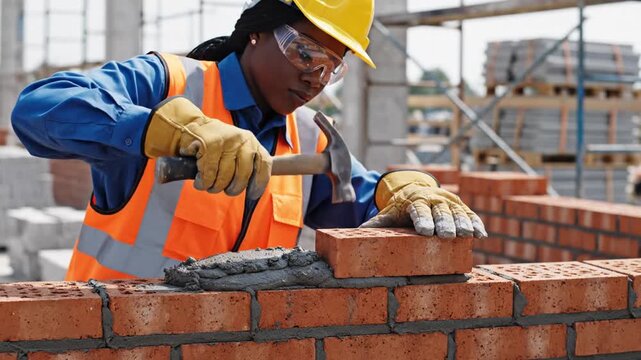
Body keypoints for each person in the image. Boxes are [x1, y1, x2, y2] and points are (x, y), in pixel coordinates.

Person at [11, 0, 486, 282]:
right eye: (305, 51)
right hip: (108, 340)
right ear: (257, 30)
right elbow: (38, 108)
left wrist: (405, 187)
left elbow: (362, 196)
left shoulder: (305, 142)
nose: (316, 77)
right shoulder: (167, 83)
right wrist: (155, 127)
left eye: (332, 67)